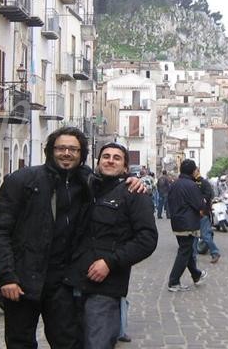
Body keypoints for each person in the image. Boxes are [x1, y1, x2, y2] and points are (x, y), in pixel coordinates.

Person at [0, 127, 143, 348]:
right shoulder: (22, 180)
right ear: (51, 150)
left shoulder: (87, 182)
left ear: (81, 154)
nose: (66, 153)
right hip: (22, 280)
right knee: (20, 343)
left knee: (68, 342)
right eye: (61, 148)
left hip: (63, 284)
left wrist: (132, 180)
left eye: (73, 149)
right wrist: (6, 276)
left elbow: (112, 181)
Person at [65, 142, 157, 348]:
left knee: (97, 343)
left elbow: (147, 239)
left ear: (125, 167)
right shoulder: (86, 188)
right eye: (106, 156)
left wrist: (110, 262)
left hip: (105, 288)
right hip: (73, 283)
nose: (110, 161)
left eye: (117, 158)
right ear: (98, 162)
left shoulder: (134, 193)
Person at [167, 159, 207, 292]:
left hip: (177, 222)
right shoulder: (191, 185)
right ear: (192, 171)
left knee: (187, 250)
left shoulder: (174, 184)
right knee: (184, 251)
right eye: (195, 169)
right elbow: (199, 204)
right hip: (188, 223)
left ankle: (196, 275)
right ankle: (173, 281)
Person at [195, 168, 220, 264]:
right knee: (194, 235)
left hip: (202, 213)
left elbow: (208, 196)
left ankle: (215, 252)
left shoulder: (204, 183)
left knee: (205, 235)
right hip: (195, 213)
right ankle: (192, 256)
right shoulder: (192, 182)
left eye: (194, 171)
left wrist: (202, 209)